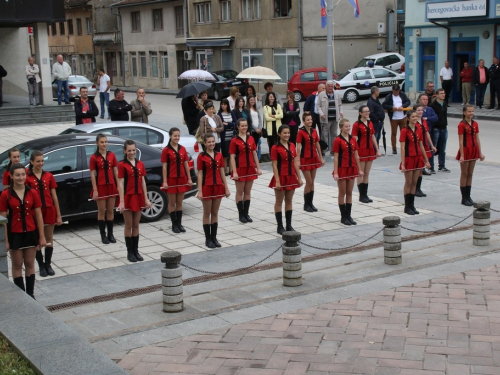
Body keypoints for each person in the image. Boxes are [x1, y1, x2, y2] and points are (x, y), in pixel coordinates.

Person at [0, 163, 46, 298]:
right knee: (17, 264)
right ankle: (21, 296)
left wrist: (42, 236)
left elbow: (38, 215)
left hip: (31, 232)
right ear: (12, 176)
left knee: (30, 263)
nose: (21, 178)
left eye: (23, 174)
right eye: (18, 175)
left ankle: (30, 294)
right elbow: (2, 219)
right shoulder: (5, 195)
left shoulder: (32, 192)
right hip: (15, 233)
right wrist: (6, 241)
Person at [26, 150, 63, 277]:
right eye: (38, 161)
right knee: (37, 239)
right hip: (35, 212)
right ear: (31, 162)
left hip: (49, 209)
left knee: (49, 238)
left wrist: (58, 214)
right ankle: (41, 265)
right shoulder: (28, 178)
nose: (41, 163)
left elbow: (54, 196)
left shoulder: (49, 176)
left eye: (42, 160)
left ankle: (48, 264)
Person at [118, 140, 153, 262]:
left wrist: (146, 198)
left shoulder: (140, 164)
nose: (132, 152)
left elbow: (143, 181)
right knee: (129, 224)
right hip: (128, 196)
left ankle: (136, 250)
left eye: (133, 150)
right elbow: (121, 183)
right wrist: (121, 201)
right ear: (125, 151)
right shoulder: (122, 164)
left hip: (138, 197)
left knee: (136, 224)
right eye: (129, 150)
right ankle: (130, 252)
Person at [197, 133, 231, 248]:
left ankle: (214, 237)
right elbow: (200, 174)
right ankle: (208, 239)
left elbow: (222, 172)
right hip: (207, 187)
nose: (211, 144)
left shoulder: (219, 155)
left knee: (215, 213)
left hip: (218, 186)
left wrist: (226, 187)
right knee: (207, 213)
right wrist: (200, 190)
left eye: (213, 141)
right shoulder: (201, 156)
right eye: (209, 142)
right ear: (205, 143)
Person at [269, 124, 303, 234]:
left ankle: (289, 225)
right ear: (279, 134)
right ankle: (280, 226)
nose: (287, 135)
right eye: (284, 133)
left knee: (289, 201)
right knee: (279, 201)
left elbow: (295, 162)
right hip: (281, 176)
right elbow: (274, 165)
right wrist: (277, 181)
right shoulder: (275, 147)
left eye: (288, 133)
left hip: (291, 176)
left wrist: (299, 177)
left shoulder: (292, 145)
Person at [229, 118, 262, 223]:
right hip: (240, 168)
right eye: (242, 126)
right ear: (238, 127)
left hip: (250, 168)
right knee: (240, 191)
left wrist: (258, 167)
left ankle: (246, 213)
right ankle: (241, 214)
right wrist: (234, 171)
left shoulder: (251, 138)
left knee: (247, 191)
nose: (244, 127)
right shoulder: (234, 141)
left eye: (246, 125)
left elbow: (254, 154)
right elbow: (232, 157)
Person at [161, 128, 193, 233]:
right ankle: (174, 224)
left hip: (182, 178)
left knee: (179, 202)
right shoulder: (166, 150)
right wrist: (165, 181)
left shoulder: (182, 148)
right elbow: (164, 167)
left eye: (178, 136)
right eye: (175, 136)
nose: (177, 138)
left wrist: (189, 178)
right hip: (171, 179)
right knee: (172, 202)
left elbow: (186, 165)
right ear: (170, 136)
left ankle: (179, 223)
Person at [399, 110, 431, 216]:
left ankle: (412, 205)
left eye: (416, 117)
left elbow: (421, 145)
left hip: (418, 158)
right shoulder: (404, 131)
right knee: (408, 182)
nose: (415, 118)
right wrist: (403, 163)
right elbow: (403, 148)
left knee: (414, 182)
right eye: (412, 117)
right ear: (408, 118)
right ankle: (407, 206)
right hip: (409, 158)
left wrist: (426, 160)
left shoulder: (419, 129)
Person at [333, 119, 363, 226]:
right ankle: (343, 216)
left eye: (349, 126)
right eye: (346, 126)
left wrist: (359, 169)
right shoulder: (338, 140)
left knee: (349, 192)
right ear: (341, 127)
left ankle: (349, 215)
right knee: (342, 193)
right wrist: (336, 172)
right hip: (342, 168)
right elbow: (336, 158)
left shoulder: (353, 139)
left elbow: (356, 155)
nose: (348, 128)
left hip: (351, 168)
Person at [90, 134, 119, 244]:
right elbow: (92, 174)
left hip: (111, 185)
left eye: (106, 142)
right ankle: (103, 235)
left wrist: (118, 185)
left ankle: (110, 234)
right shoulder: (94, 157)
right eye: (102, 142)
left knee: (111, 210)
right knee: (102, 211)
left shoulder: (111, 155)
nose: (104, 144)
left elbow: (116, 171)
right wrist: (95, 189)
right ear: (97, 143)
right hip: (100, 186)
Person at [456, 105, 485, 206]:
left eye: (472, 111)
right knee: (464, 173)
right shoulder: (461, 125)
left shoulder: (475, 123)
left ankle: (468, 196)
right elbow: (460, 141)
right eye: (469, 111)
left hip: (473, 149)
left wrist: (480, 152)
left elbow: (477, 138)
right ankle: (464, 197)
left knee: (470, 174)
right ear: (464, 113)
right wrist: (462, 155)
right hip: (465, 149)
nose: (471, 113)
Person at [352, 105, 381, 204]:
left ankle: (365, 194)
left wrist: (377, 149)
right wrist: (355, 153)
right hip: (361, 150)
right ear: (360, 113)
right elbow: (354, 139)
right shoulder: (357, 125)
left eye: (368, 111)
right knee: (361, 172)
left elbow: (373, 137)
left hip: (370, 150)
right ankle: (361, 195)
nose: (367, 113)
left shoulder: (370, 123)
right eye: (365, 112)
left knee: (367, 173)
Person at [296, 112, 325, 212]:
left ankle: (311, 203)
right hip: (305, 158)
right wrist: (298, 159)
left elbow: (317, 144)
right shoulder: (301, 131)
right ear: (304, 121)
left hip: (314, 158)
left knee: (312, 182)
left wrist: (321, 157)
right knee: (309, 181)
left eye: (311, 119)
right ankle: (306, 204)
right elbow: (298, 146)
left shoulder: (314, 130)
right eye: (307, 120)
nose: (310, 121)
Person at [413, 104, 437, 197]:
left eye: (421, 110)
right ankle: (414, 188)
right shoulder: (414, 122)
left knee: (421, 169)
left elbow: (427, 133)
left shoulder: (423, 121)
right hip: (417, 146)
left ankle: (418, 188)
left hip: (424, 145)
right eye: (418, 110)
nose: (420, 112)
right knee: (418, 169)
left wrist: (432, 145)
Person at [382, 84, 410, 155]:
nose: (396, 93)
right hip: (394, 118)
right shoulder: (389, 97)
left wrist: (403, 106)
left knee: (404, 132)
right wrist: (391, 107)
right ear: (392, 90)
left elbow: (408, 101)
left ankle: (404, 146)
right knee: (394, 133)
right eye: (395, 92)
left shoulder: (402, 95)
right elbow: (384, 105)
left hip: (403, 117)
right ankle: (394, 148)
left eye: (397, 92)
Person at [317, 80, 343, 154]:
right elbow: (318, 106)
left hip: (335, 118)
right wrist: (321, 113)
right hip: (325, 119)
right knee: (324, 135)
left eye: (331, 86)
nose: (330, 88)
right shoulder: (321, 94)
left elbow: (340, 105)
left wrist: (341, 112)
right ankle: (324, 150)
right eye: (328, 86)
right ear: (326, 86)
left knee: (334, 135)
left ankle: (333, 150)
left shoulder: (336, 94)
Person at [417, 93, 438, 174]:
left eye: (426, 99)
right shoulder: (416, 117)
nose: (425, 101)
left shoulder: (430, 109)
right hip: (418, 139)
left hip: (427, 134)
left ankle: (429, 166)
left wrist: (426, 118)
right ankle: (421, 168)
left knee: (428, 151)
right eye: (423, 99)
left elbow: (435, 118)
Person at [430, 88, 450, 172]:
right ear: (437, 95)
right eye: (441, 93)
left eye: (444, 93)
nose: (443, 95)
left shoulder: (445, 103)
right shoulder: (433, 105)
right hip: (436, 128)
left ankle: (442, 165)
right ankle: (431, 167)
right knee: (433, 147)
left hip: (444, 128)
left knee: (442, 148)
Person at [218, 98, 235, 175]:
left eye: (225, 104)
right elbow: (221, 125)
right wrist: (227, 125)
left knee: (231, 153)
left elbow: (235, 123)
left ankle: (231, 169)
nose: (223, 106)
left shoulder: (231, 113)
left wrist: (228, 124)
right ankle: (225, 170)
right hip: (224, 137)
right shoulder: (219, 114)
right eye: (222, 104)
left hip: (231, 136)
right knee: (225, 154)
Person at [246, 95, 263, 160]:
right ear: (248, 101)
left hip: (258, 131)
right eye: (251, 100)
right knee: (252, 147)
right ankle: (252, 160)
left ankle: (255, 160)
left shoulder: (256, 109)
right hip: (253, 131)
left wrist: (260, 128)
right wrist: (255, 129)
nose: (252, 101)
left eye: (253, 100)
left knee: (256, 146)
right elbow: (249, 121)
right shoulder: (247, 109)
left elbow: (260, 119)